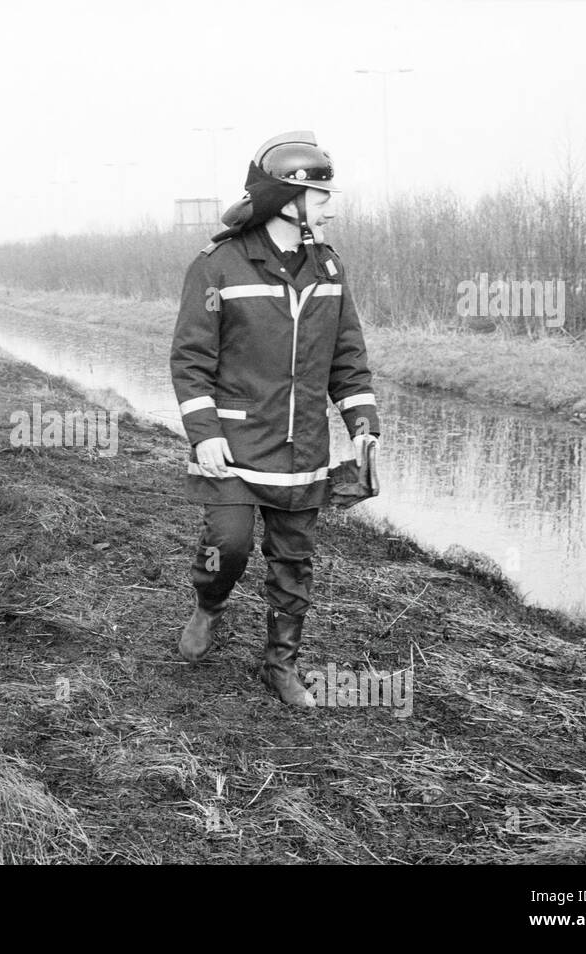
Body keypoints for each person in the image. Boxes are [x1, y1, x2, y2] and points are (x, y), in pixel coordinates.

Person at [169, 130, 381, 707]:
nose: (330, 205)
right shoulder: (217, 266)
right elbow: (190, 361)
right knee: (229, 546)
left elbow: (347, 355)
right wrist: (205, 435)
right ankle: (208, 604)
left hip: (301, 445)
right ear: (287, 201)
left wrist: (361, 420)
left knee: (294, 563)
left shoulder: (331, 269)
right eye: (320, 195)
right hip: (233, 445)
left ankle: (280, 664)